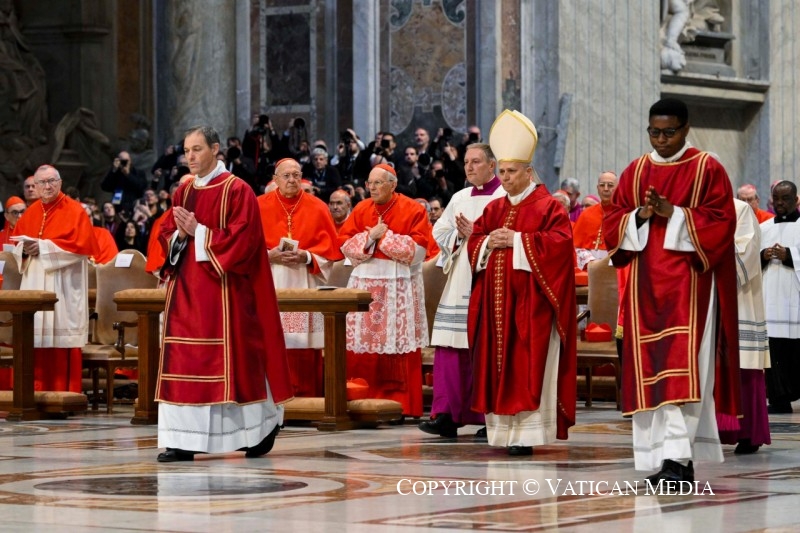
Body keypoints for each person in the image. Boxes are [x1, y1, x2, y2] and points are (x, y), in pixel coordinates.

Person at [603, 98, 740, 483]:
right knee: (651, 368)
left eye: (669, 132)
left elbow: (721, 223)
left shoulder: (706, 168)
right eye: (654, 132)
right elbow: (612, 223)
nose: (661, 140)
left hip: (691, 286)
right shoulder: (636, 171)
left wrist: (674, 214)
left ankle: (679, 459)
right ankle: (663, 459)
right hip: (644, 287)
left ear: (685, 129)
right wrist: (641, 215)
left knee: (683, 372)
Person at [155, 125, 292, 462]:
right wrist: (178, 236)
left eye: (197, 149)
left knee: (238, 362)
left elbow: (243, 241)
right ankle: (182, 439)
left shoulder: (237, 190)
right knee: (184, 361)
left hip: (226, 293)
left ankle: (257, 431)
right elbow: (167, 233)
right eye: (186, 150)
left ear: (215, 149)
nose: (190, 157)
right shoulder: (182, 192)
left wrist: (198, 231)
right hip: (186, 293)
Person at [467, 110, 577, 456]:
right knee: (497, 365)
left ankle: (527, 434)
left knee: (527, 364)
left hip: (532, 307)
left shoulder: (548, 207)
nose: (505, 178)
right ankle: (501, 432)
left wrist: (518, 241)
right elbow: (477, 241)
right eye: (501, 171)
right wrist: (487, 243)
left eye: (511, 172)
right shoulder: (494, 208)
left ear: (529, 172)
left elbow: (560, 246)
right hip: (496, 305)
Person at [418, 143, 505, 439]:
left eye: (476, 162)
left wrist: (477, 233)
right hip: (459, 278)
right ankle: (446, 414)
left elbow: (509, 235)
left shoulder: (505, 196)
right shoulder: (459, 197)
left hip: (491, 278)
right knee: (450, 346)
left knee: (486, 349)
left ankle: (488, 417)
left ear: (492, 165)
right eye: (466, 162)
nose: (469, 167)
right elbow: (439, 232)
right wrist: (459, 235)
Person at [338, 164, 430, 417]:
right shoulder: (361, 209)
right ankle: (363, 399)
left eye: (378, 183)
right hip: (365, 285)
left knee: (396, 345)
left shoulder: (413, 209)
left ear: (393, 184)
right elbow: (345, 245)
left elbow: (418, 251)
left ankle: (401, 402)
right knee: (364, 345)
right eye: (370, 183)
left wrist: (384, 237)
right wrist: (369, 238)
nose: (372, 188)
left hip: (398, 287)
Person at [258, 158, 343, 397]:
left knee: (304, 344)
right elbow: (244, 249)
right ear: (275, 180)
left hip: (305, 281)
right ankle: (271, 397)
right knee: (270, 342)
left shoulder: (317, 207)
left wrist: (306, 256)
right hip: (270, 281)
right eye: (286, 176)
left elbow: (329, 254)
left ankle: (306, 396)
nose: (292, 180)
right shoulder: (258, 205)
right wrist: (269, 255)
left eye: (296, 175)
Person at [11, 165, 98, 392]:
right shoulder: (31, 212)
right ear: (36, 186)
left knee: (60, 335)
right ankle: (32, 393)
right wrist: (24, 250)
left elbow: (80, 248)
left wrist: (43, 247)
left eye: (52, 181)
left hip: (63, 286)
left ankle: (63, 393)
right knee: (34, 334)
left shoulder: (75, 211)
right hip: (34, 281)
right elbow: (15, 247)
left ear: (60, 182)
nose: (47, 186)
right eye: (42, 183)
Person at [718, 198, 770, 454]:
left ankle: (748, 432)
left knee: (744, 369)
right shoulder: (694, 210)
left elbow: (747, 252)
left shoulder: (740, 209)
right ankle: (713, 431)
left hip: (737, 298)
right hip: (704, 301)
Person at [760, 180, 800, 414]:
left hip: (794, 300)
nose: (780, 203)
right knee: (773, 351)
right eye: (777, 198)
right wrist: (763, 255)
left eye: (785, 199)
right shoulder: (764, 228)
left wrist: (791, 256)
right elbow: (747, 261)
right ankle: (778, 400)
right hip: (770, 301)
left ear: (796, 200)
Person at [572, 172, 618, 269]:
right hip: (590, 268)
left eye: (610, 185)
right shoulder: (586, 214)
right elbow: (576, 246)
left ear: (618, 188)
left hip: (617, 266)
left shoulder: (625, 214)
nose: (606, 188)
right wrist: (591, 261)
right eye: (602, 185)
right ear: (597, 188)